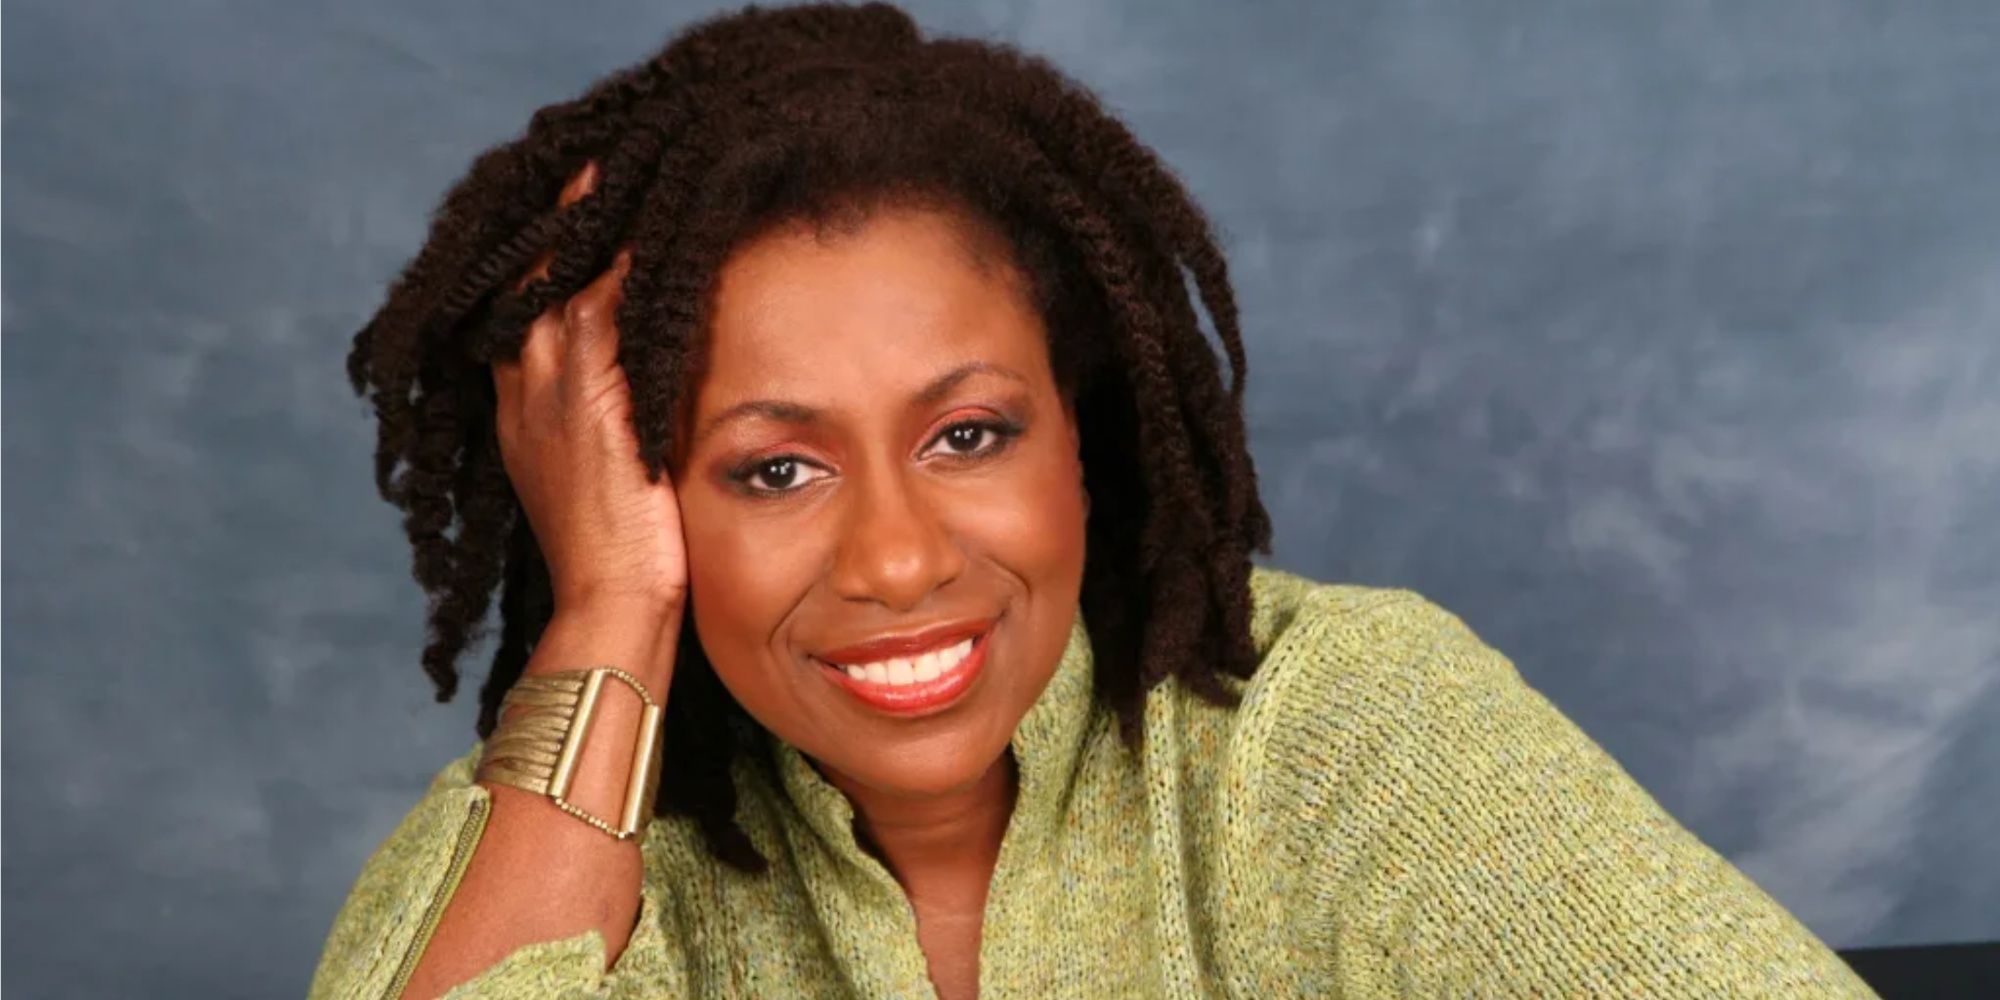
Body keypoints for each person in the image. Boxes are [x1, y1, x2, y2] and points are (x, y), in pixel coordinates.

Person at [309, 4, 1878, 997]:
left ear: (1084, 432)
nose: (898, 557)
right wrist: (605, 619)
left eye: (968, 434)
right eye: (774, 469)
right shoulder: (569, 845)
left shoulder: (1331, 731)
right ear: (634, 499)